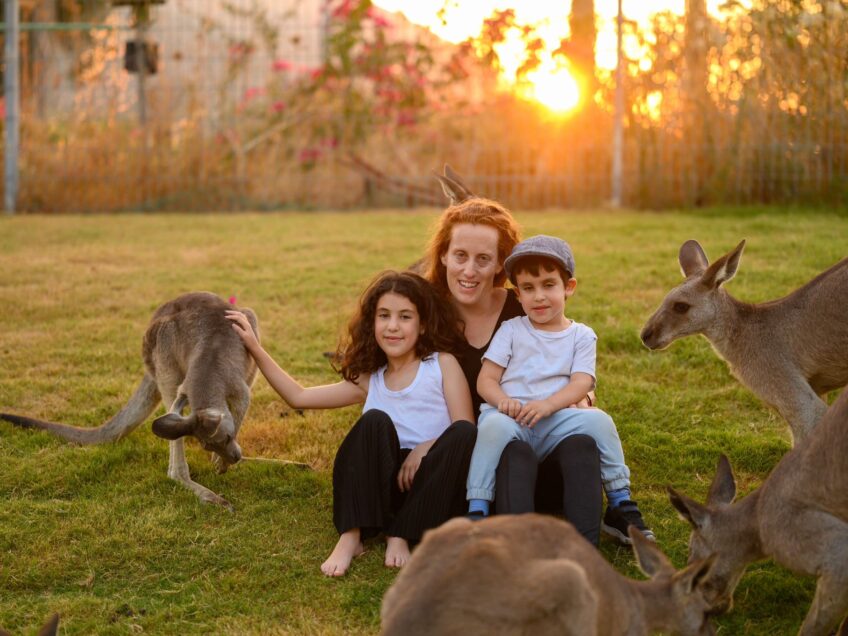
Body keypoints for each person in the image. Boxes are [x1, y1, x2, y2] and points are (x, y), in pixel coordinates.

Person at [226, 271, 476, 577]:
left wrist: (426, 447)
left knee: (464, 433)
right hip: (382, 485)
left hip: (429, 482)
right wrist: (254, 347)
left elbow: (465, 426)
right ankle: (351, 536)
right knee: (374, 421)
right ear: (372, 323)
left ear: (422, 325)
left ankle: (401, 533)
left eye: (405, 316)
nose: (393, 326)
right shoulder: (371, 379)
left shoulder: (441, 364)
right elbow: (298, 396)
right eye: (384, 316)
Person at [423, 193, 606, 546]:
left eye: (483, 259)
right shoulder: (425, 313)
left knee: (560, 449)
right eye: (460, 255)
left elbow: (566, 359)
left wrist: (583, 397)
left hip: (526, 449)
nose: (469, 271)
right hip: (457, 458)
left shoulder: (522, 308)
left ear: (500, 265)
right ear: (444, 254)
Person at [465, 235, 654, 543]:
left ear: (569, 287)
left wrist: (549, 405)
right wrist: (503, 401)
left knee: (600, 421)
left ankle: (621, 503)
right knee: (491, 427)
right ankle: (477, 508)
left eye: (548, 285)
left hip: (556, 420)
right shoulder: (511, 330)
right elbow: (486, 380)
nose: (539, 297)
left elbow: (582, 382)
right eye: (528, 288)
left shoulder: (581, 335)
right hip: (513, 419)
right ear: (518, 294)